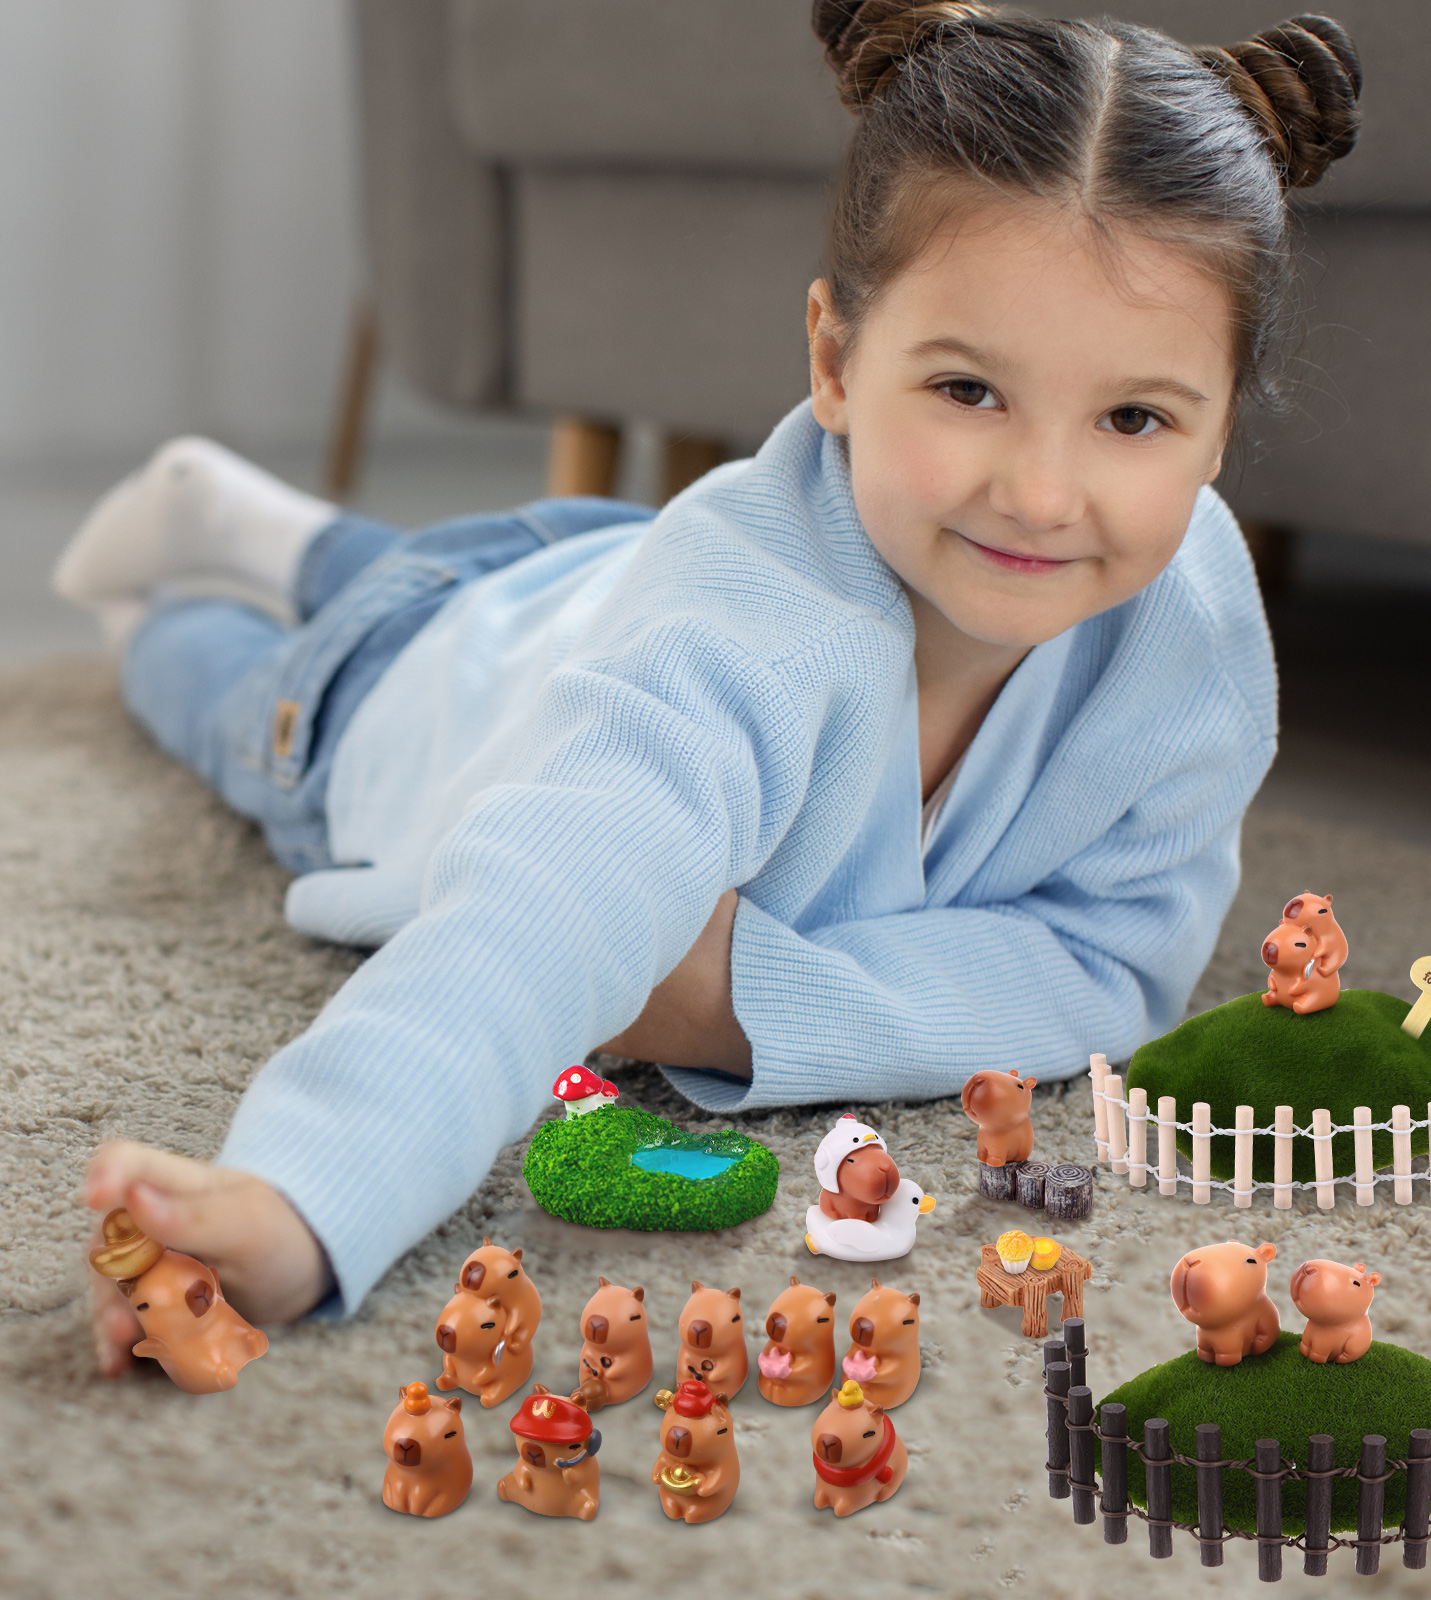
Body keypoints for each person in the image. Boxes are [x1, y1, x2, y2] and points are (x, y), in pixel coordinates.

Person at [59, 2, 1360, 1366]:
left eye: (1135, 418)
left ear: (1221, 426)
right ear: (834, 361)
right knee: (206, 680)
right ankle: (182, 586)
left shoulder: (1193, 629)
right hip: (404, 682)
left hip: (594, 571)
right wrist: (303, 1196)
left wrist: (737, 1000)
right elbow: (540, 916)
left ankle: (276, 530)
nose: (1042, 494)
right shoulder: (745, 627)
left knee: (449, 572)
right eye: (969, 390)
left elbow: (1115, 964)